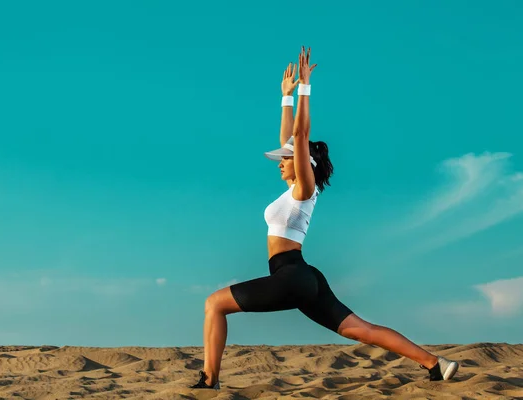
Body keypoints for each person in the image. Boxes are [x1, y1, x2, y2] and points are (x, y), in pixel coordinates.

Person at [190, 46, 459, 390]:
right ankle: (436, 363)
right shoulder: (296, 190)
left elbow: (299, 138)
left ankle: (210, 380)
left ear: (305, 164)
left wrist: (305, 89)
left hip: (292, 275)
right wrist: (285, 99)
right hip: (303, 276)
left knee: (214, 304)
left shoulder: (304, 187)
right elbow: (292, 138)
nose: (281, 161)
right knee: (360, 330)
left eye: (286, 159)